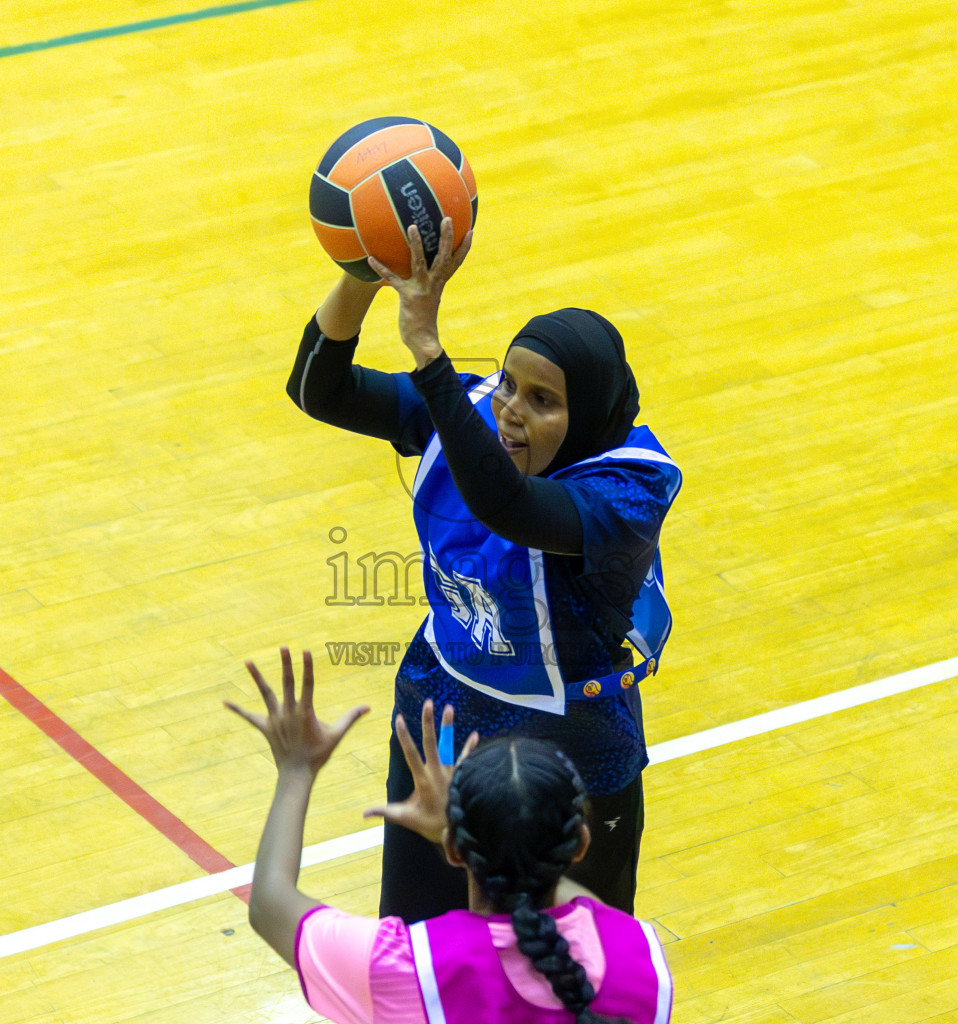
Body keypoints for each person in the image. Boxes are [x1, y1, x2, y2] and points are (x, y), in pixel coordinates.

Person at [287, 220, 681, 921]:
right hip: (441, 719)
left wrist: (429, 353)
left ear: (587, 416)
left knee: (575, 976)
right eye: (508, 384)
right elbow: (318, 388)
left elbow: (511, 505)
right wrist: (365, 266)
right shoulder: (464, 413)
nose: (509, 413)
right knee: (417, 952)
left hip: (571, 756)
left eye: (542, 401)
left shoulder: (629, 494)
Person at [226, 647, 674, 1024]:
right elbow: (584, 911)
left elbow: (268, 903)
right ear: (580, 842)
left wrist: (296, 769)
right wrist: (459, 831)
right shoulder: (643, 959)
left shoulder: (411, 969)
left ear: (457, 853)